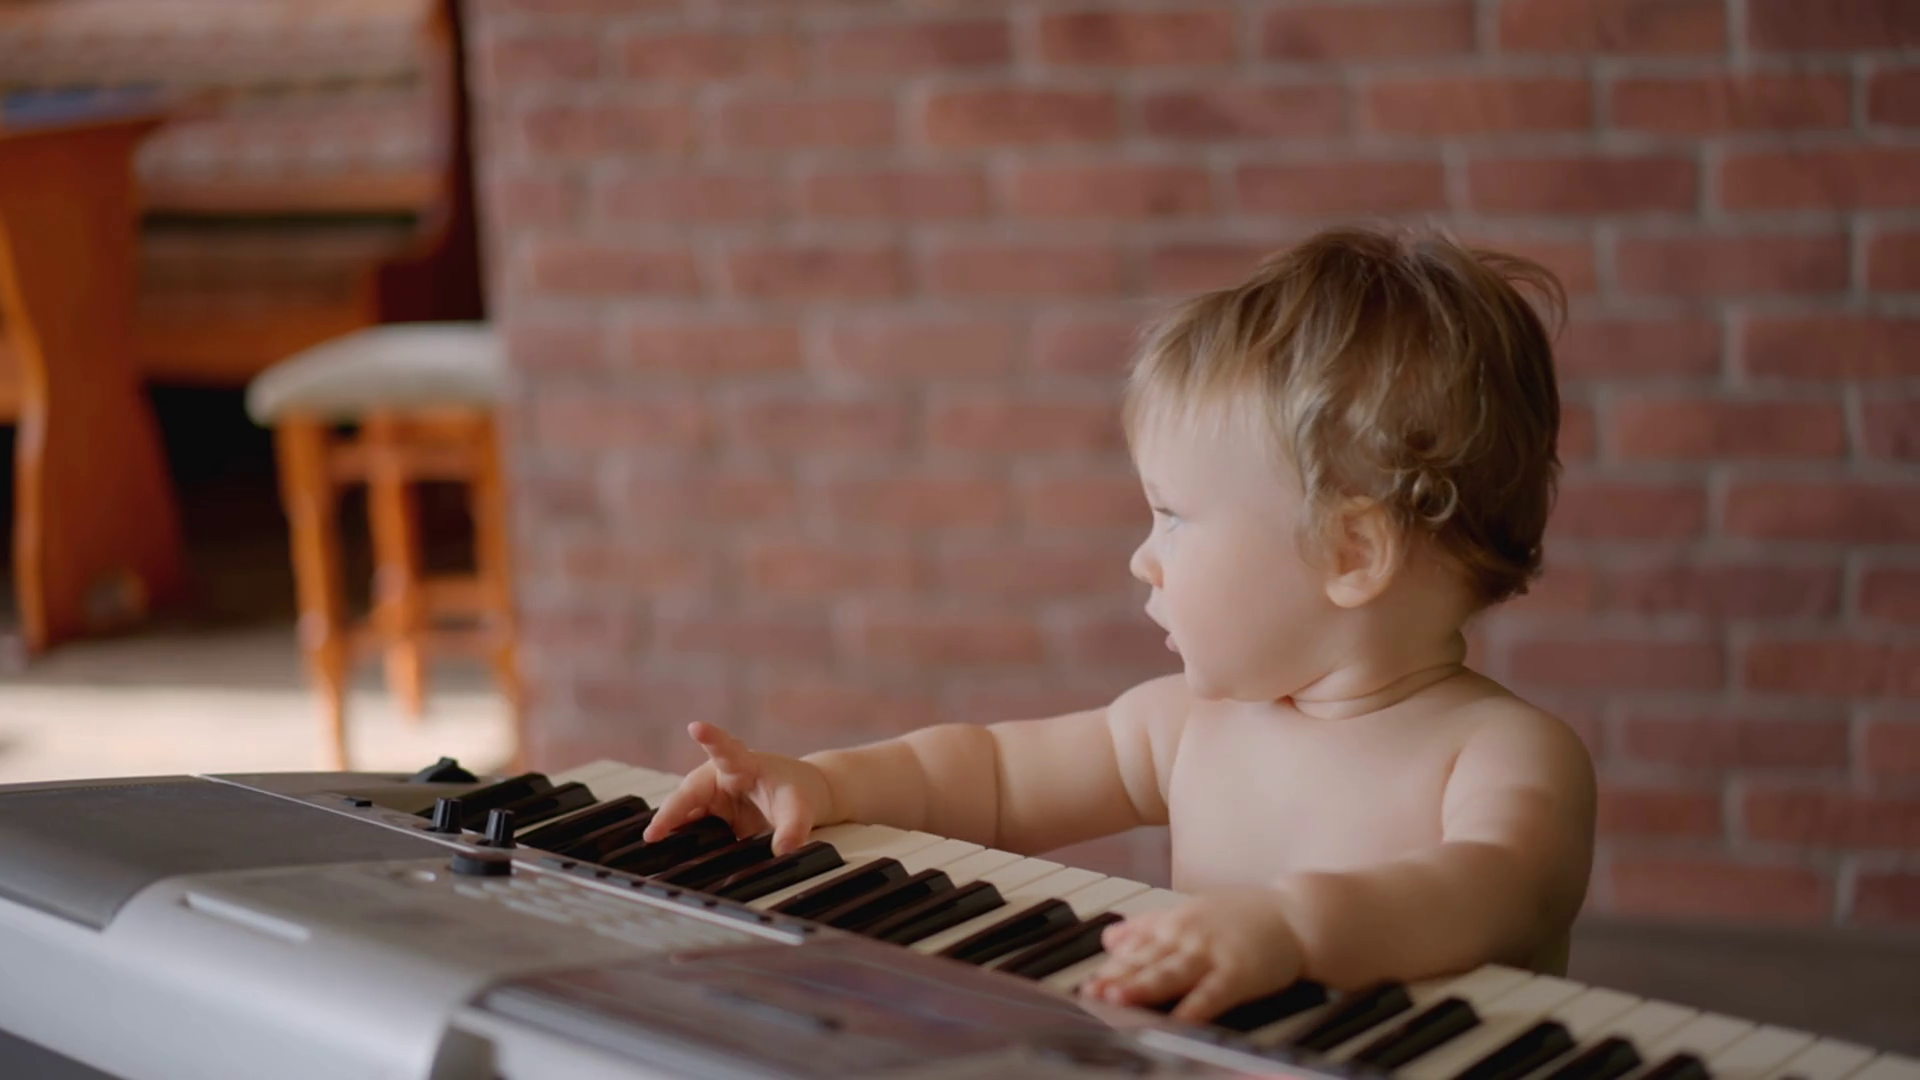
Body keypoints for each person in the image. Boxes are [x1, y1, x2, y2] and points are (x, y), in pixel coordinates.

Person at [641, 223, 1598, 1024]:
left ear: (1351, 555)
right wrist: (823, 782)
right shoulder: (1187, 722)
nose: (1144, 557)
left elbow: (1485, 886)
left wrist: (1291, 931)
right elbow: (990, 775)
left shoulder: (1506, 756)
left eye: (1173, 516)